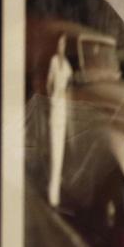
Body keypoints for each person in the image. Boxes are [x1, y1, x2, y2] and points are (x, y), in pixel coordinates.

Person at [46, 33, 72, 208]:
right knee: (54, 152)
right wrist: (52, 98)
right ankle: (52, 194)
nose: (61, 47)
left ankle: (55, 194)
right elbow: (49, 82)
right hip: (55, 107)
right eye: (59, 44)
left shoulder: (67, 66)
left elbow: (70, 83)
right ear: (57, 46)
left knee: (60, 154)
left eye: (64, 44)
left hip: (63, 109)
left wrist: (65, 93)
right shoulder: (54, 61)